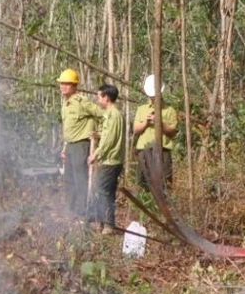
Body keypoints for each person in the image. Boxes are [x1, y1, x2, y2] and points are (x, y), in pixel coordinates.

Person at [57, 69, 98, 218]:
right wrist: (64, 147)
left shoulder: (81, 102)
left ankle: (83, 212)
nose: (63, 87)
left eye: (67, 84)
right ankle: (71, 210)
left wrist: (97, 133)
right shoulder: (65, 103)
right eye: (62, 83)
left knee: (80, 179)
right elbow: (68, 128)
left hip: (81, 145)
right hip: (70, 146)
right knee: (69, 179)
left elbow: (100, 113)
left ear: (74, 86)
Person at [86, 83, 125, 229]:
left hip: (110, 160)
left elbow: (109, 140)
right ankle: (103, 222)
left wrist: (95, 154)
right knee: (104, 191)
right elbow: (108, 134)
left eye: (99, 97)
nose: (98, 100)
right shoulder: (110, 115)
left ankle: (107, 224)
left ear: (106, 97)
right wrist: (98, 135)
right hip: (110, 159)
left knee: (102, 191)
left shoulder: (114, 115)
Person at [133, 81, 180, 192]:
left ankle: (164, 206)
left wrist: (160, 122)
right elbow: (135, 129)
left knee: (164, 181)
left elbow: (172, 132)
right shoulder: (142, 109)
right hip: (144, 149)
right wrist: (146, 122)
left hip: (163, 150)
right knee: (143, 181)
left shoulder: (170, 110)